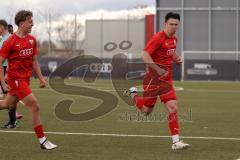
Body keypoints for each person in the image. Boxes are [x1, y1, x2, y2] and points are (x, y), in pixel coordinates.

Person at [124, 12, 189, 150]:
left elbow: (170, 51)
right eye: (171, 24)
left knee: (173, 107)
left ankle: (176, 142)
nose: (173, 26)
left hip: (166, 81)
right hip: (153, 80)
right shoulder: (158, 37)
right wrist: (157, 69)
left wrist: (176, 58)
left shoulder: (174, 39)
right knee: (146, 111)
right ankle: (133, 94)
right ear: (165, 24)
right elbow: (144, 54)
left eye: (176, 24)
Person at [0, 10, 57, 150]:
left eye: (32, 21)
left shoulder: (32, 40)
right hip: (15, 80)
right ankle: (42, 140)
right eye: (30, 21)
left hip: (25, 80)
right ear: (21, 22)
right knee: (35, 106)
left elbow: (34, 61)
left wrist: (42, 78)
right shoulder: (10, 42)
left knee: (6, 104)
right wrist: (3, 83)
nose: (32, 24)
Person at [0, 20, 19, 128]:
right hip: (4, 70)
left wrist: (7, 73)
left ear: (2, 27)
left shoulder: (7, 40)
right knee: (8, 98)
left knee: (9, 98)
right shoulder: (5, 40)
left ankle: (13, 121)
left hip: (6, 70)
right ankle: (13, 121)